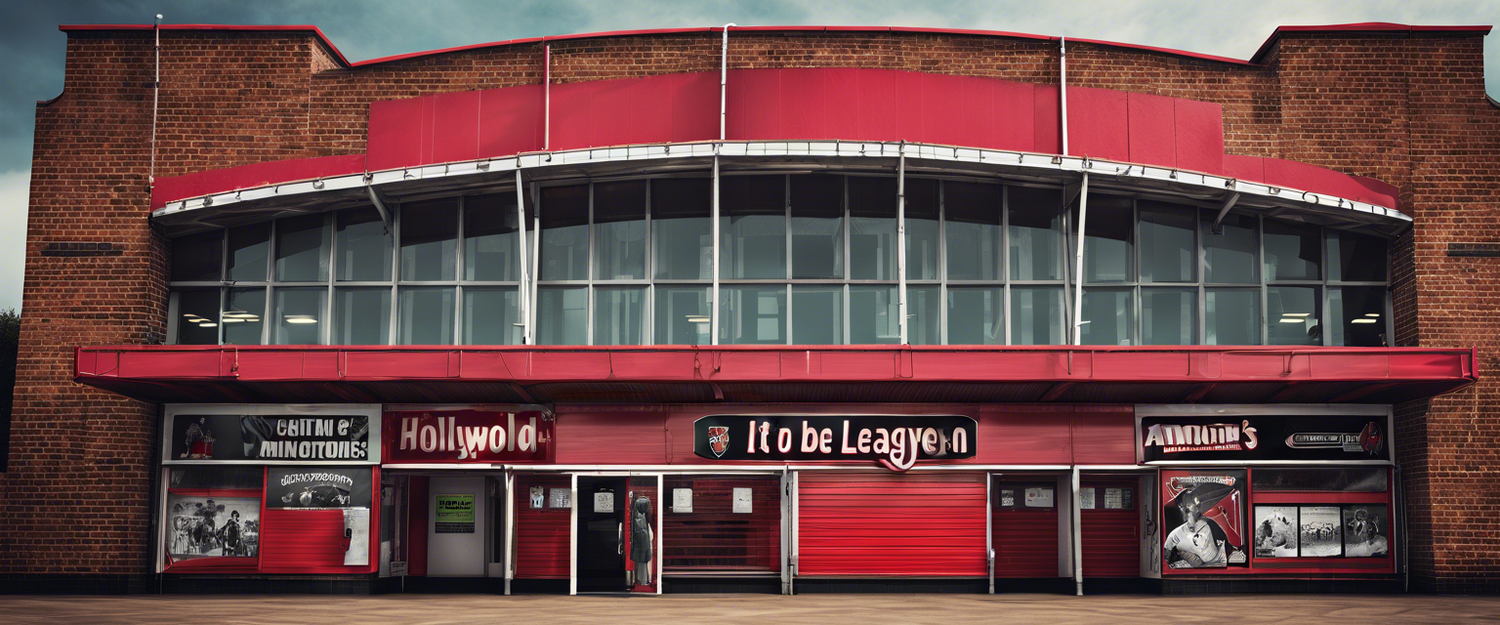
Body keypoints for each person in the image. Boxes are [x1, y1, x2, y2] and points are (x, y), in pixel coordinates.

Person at [1164, 482, 1234, 568]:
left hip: (1220, 560)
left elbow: (1227, 541)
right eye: (1193, 505)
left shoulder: (1207, 523)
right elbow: (1166, 558)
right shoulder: (1175, 535)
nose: (1197, 507)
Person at [629, 496, 655, 587]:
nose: (650, 508)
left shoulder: (639, 516)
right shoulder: (640, 518)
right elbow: (642, 536)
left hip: (642, 546)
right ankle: (643, 581)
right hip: (643, 547)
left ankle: (643, 580)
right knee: (642, 565)